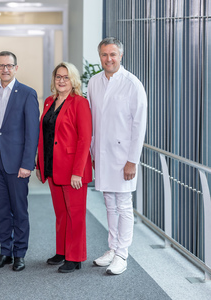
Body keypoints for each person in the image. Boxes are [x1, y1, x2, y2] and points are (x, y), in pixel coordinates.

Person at [88, 37, 147, 275]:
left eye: (113, 54)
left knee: (123, 205)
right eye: (104, 55)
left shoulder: (132, 84)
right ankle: (112, 248)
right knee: (109, 204)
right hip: (102, 155)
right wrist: (92, 152)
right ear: (100, 56)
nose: (108, 59)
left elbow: (139, 125)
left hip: (124, 158)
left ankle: (122, 253)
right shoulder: (94, 82)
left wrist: (132, 160)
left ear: (121, 56)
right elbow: (92, 120)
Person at [0, 51, 40, 272]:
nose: (5, 69)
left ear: (16, 68)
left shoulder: (27, 93)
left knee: (19, 210)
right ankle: (5, 251)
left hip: (18, 165)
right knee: (2, 210)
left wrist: (27, 163)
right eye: (1, 65)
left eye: (9, 65)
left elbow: (31, 133)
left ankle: (19, 253)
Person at [35, 62, 92, 273]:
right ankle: (62, 251)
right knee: (61, 213)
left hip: (72, 170)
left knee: (75, 214)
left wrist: (78, 171)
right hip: (53, 167)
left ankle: (75, 257)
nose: (61, 80)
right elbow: (46, 135)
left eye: (66, 77)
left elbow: (85, 139)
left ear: (73, 80)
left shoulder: (80, 103)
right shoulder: (49, 101)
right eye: (58, 76)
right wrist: (40, 163)